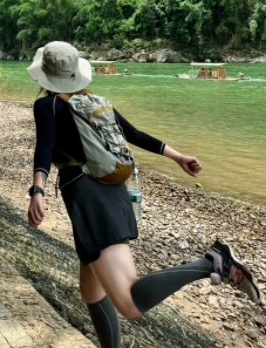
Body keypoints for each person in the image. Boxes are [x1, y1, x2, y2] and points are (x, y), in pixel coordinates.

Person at [26, 41, 260, 348]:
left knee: (129, 302)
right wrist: (178, 157)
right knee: (91, 292)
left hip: (89, 200)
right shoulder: (94, 102)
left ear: (45, 76)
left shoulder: (47, 106)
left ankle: (213, 262)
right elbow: (133, 135)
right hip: (114, 193)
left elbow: (44, 147)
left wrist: (37, 189)